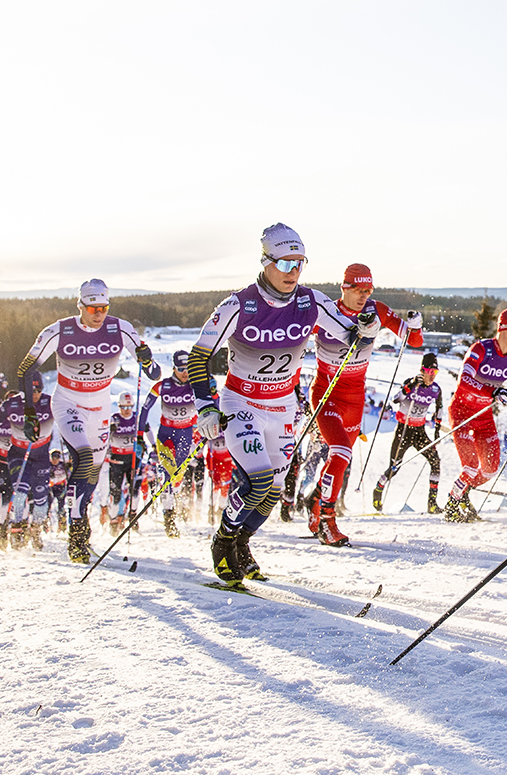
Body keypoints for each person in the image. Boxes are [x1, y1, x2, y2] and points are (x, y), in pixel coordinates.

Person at [186, 223, 357, 582]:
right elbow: (198, 356)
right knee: (259, 480)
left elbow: (348, 333)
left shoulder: (311, 302)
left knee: (274, 490)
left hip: (282, 408)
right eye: (284, 264)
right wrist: (205, 405)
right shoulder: (239, 303)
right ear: (266, 262)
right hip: (241, 403)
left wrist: (367, 326)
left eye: (299, 263)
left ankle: (242, 543)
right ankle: (223, 542)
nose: (293, 272)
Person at [14, 279, 160, 562]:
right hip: (69, 403)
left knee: (91, 473)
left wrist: (147, 358)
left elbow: (153, 374)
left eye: (103, 308)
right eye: (92, 308)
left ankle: (79, 524)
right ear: (79, 305)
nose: (98, 314)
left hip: (100, 408)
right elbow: (25, 368)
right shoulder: (59, 330)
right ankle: (78, 536)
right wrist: (30, 412)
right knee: (81, 457)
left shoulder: (121, 329)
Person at [304, 264, 424, 546]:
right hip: (326, 393)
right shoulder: (325, 313)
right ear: (344, 287)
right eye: (357, 289)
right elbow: (290, 338)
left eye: (367, 290)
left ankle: (315, 503)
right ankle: (327, 522)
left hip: (355, 396)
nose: (363, 295)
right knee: (341, 451)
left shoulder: (377, 310)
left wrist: (416, 326)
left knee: (340, 459)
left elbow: (413, 340)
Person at [444, 308, 507, 523]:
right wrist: (492, 391)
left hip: (483, 415)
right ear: (501, 328)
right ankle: (451, 504)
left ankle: (463, 493)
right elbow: (464, 379)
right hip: (462, 412)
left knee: (490, 470)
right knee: (469, 466)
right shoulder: (482, 349)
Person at [0, 371, 56, 549]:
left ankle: (35, 530)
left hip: (41, 456)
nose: (35, 393)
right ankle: (16, 527)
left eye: (39, 389)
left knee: (42, 501)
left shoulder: (50, 402)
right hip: (19, 454)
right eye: (31, 389)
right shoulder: (12, 403)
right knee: (20, 493)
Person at [373, 352, 444, 513]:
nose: (432, 376)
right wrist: (411, 385)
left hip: (419, 431)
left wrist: (437, 432)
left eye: (435, 372)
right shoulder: (412, 383)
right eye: (430, 372)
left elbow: (439, 409)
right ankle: (378, 490)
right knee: (394, 466)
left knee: (435, 462)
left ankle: (432, 504)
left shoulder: (435, 389)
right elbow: (395, 400)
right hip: (403, 430)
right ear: (422, 370)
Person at [140, 350, 199, 538]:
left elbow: (213, 402)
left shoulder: (196, 386)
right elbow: (145, 407)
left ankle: (174, 500)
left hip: (186, 435)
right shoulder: (163, 386)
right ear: (174, 368)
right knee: (167, 475)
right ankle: (169, 518)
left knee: (177, 477)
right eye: (181, 369)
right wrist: (140, 431)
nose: (185, 372)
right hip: (166, 436)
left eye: (187, 368)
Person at [107, 392, 140, 532]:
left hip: (132, 459)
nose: (126, 410)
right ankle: (114, 520)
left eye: (129, 407)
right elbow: (104, 437)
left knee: (135, 490)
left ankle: (133, 515)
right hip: (116, 460)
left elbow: (147, 431)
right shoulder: (113, 419)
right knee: (115, 494)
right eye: (123, 407)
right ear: (119, 406)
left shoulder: (136, 419)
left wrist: (152, 447)